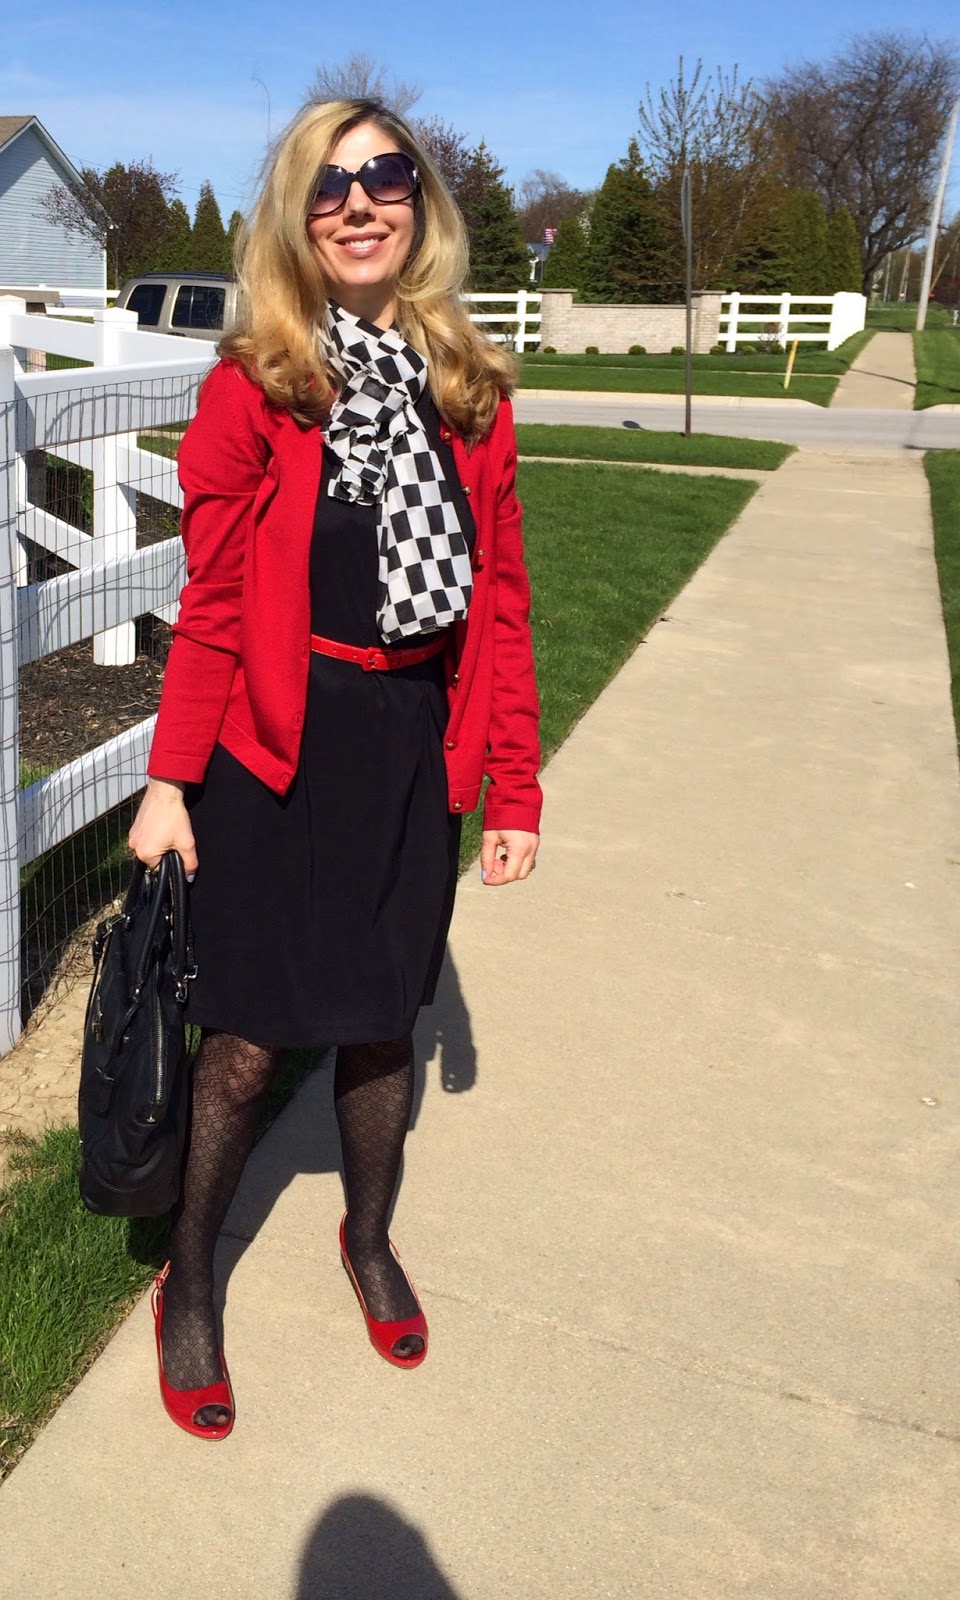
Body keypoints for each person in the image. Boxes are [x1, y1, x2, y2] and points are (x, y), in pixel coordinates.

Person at [128, 97, 542, 1440]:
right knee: (247, 1041)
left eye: (386, 175)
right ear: (295, 218)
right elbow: (212, 604)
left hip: (410, 746)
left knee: (380, 1024)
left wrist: (516, 786)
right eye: (329, 184)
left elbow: (503, 605)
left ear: (420, 202)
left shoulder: (469, 390)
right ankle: (191, 1280)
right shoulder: (255, 385)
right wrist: (170, 783)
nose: (360, 202)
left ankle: (367, 1238)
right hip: (276, 752)